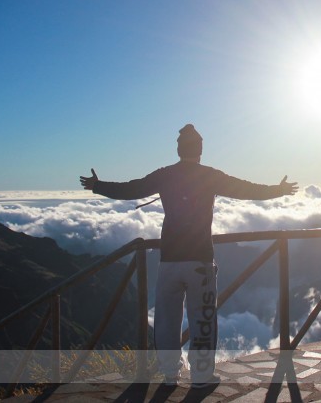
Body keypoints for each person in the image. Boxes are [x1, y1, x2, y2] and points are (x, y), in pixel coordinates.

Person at [80, 124, 298, 388]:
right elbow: (246, 189)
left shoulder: (165, 175)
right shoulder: (211, 176)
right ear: (201, 151)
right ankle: (202, 377)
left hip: (169, 260)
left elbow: (132, 189)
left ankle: (170, 375)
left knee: (166, 321)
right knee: (202, 318)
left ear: (178, 149)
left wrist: (97, 186)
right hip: (200, 261)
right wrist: (279, 189)